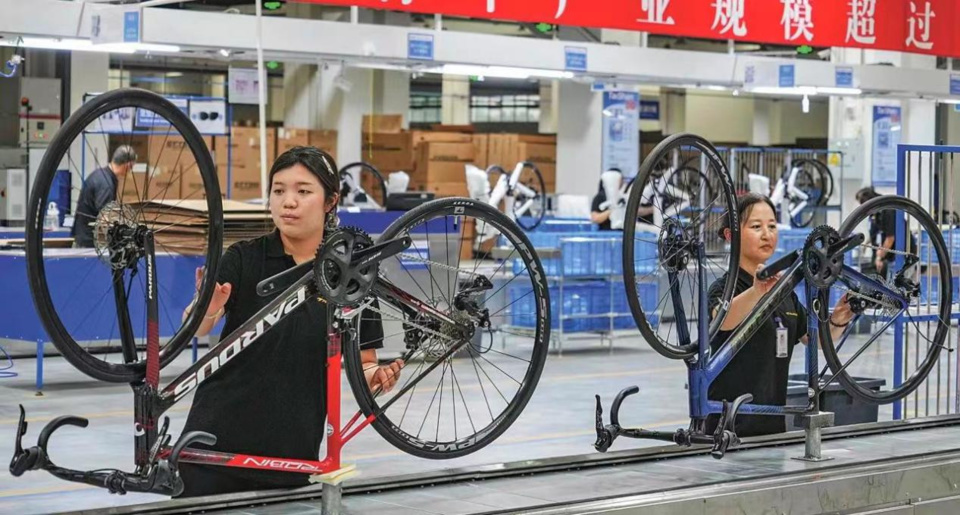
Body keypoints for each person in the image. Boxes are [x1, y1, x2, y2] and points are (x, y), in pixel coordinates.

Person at [177, 146, 403, 497]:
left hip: (291, 459)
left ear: (330, 202)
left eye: (303, 191)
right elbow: (198, 325)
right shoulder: (244, 257)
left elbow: (365, 364)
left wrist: (378, 377)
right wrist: (208, 307)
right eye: (279, 190)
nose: (288, 202)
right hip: (214, 449)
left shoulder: (353, 276)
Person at [706, 193, 854, 437]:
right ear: (731, 236)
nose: (767, 234)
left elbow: (817, 339)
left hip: (771, 431)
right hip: (726, 432)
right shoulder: (723, 289)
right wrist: (756, 292)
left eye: (772, 226)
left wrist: (840, 316)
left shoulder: (785, 295)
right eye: (756, 227)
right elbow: (722, 320)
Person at [71, 145, 136, 247]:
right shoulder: (106, 184)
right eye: (131, 167)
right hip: (89, 243)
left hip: (83, 236)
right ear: (128, 165)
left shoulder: (100, 175)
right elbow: (105, 217)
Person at [855, 186, 916, 277]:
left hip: (903, 256)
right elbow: (876, 232)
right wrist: (866, 244)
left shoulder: (888, 211)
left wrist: (879, 257)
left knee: (902, 285)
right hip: (892, 256)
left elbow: (890, 238)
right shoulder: (876, 214)